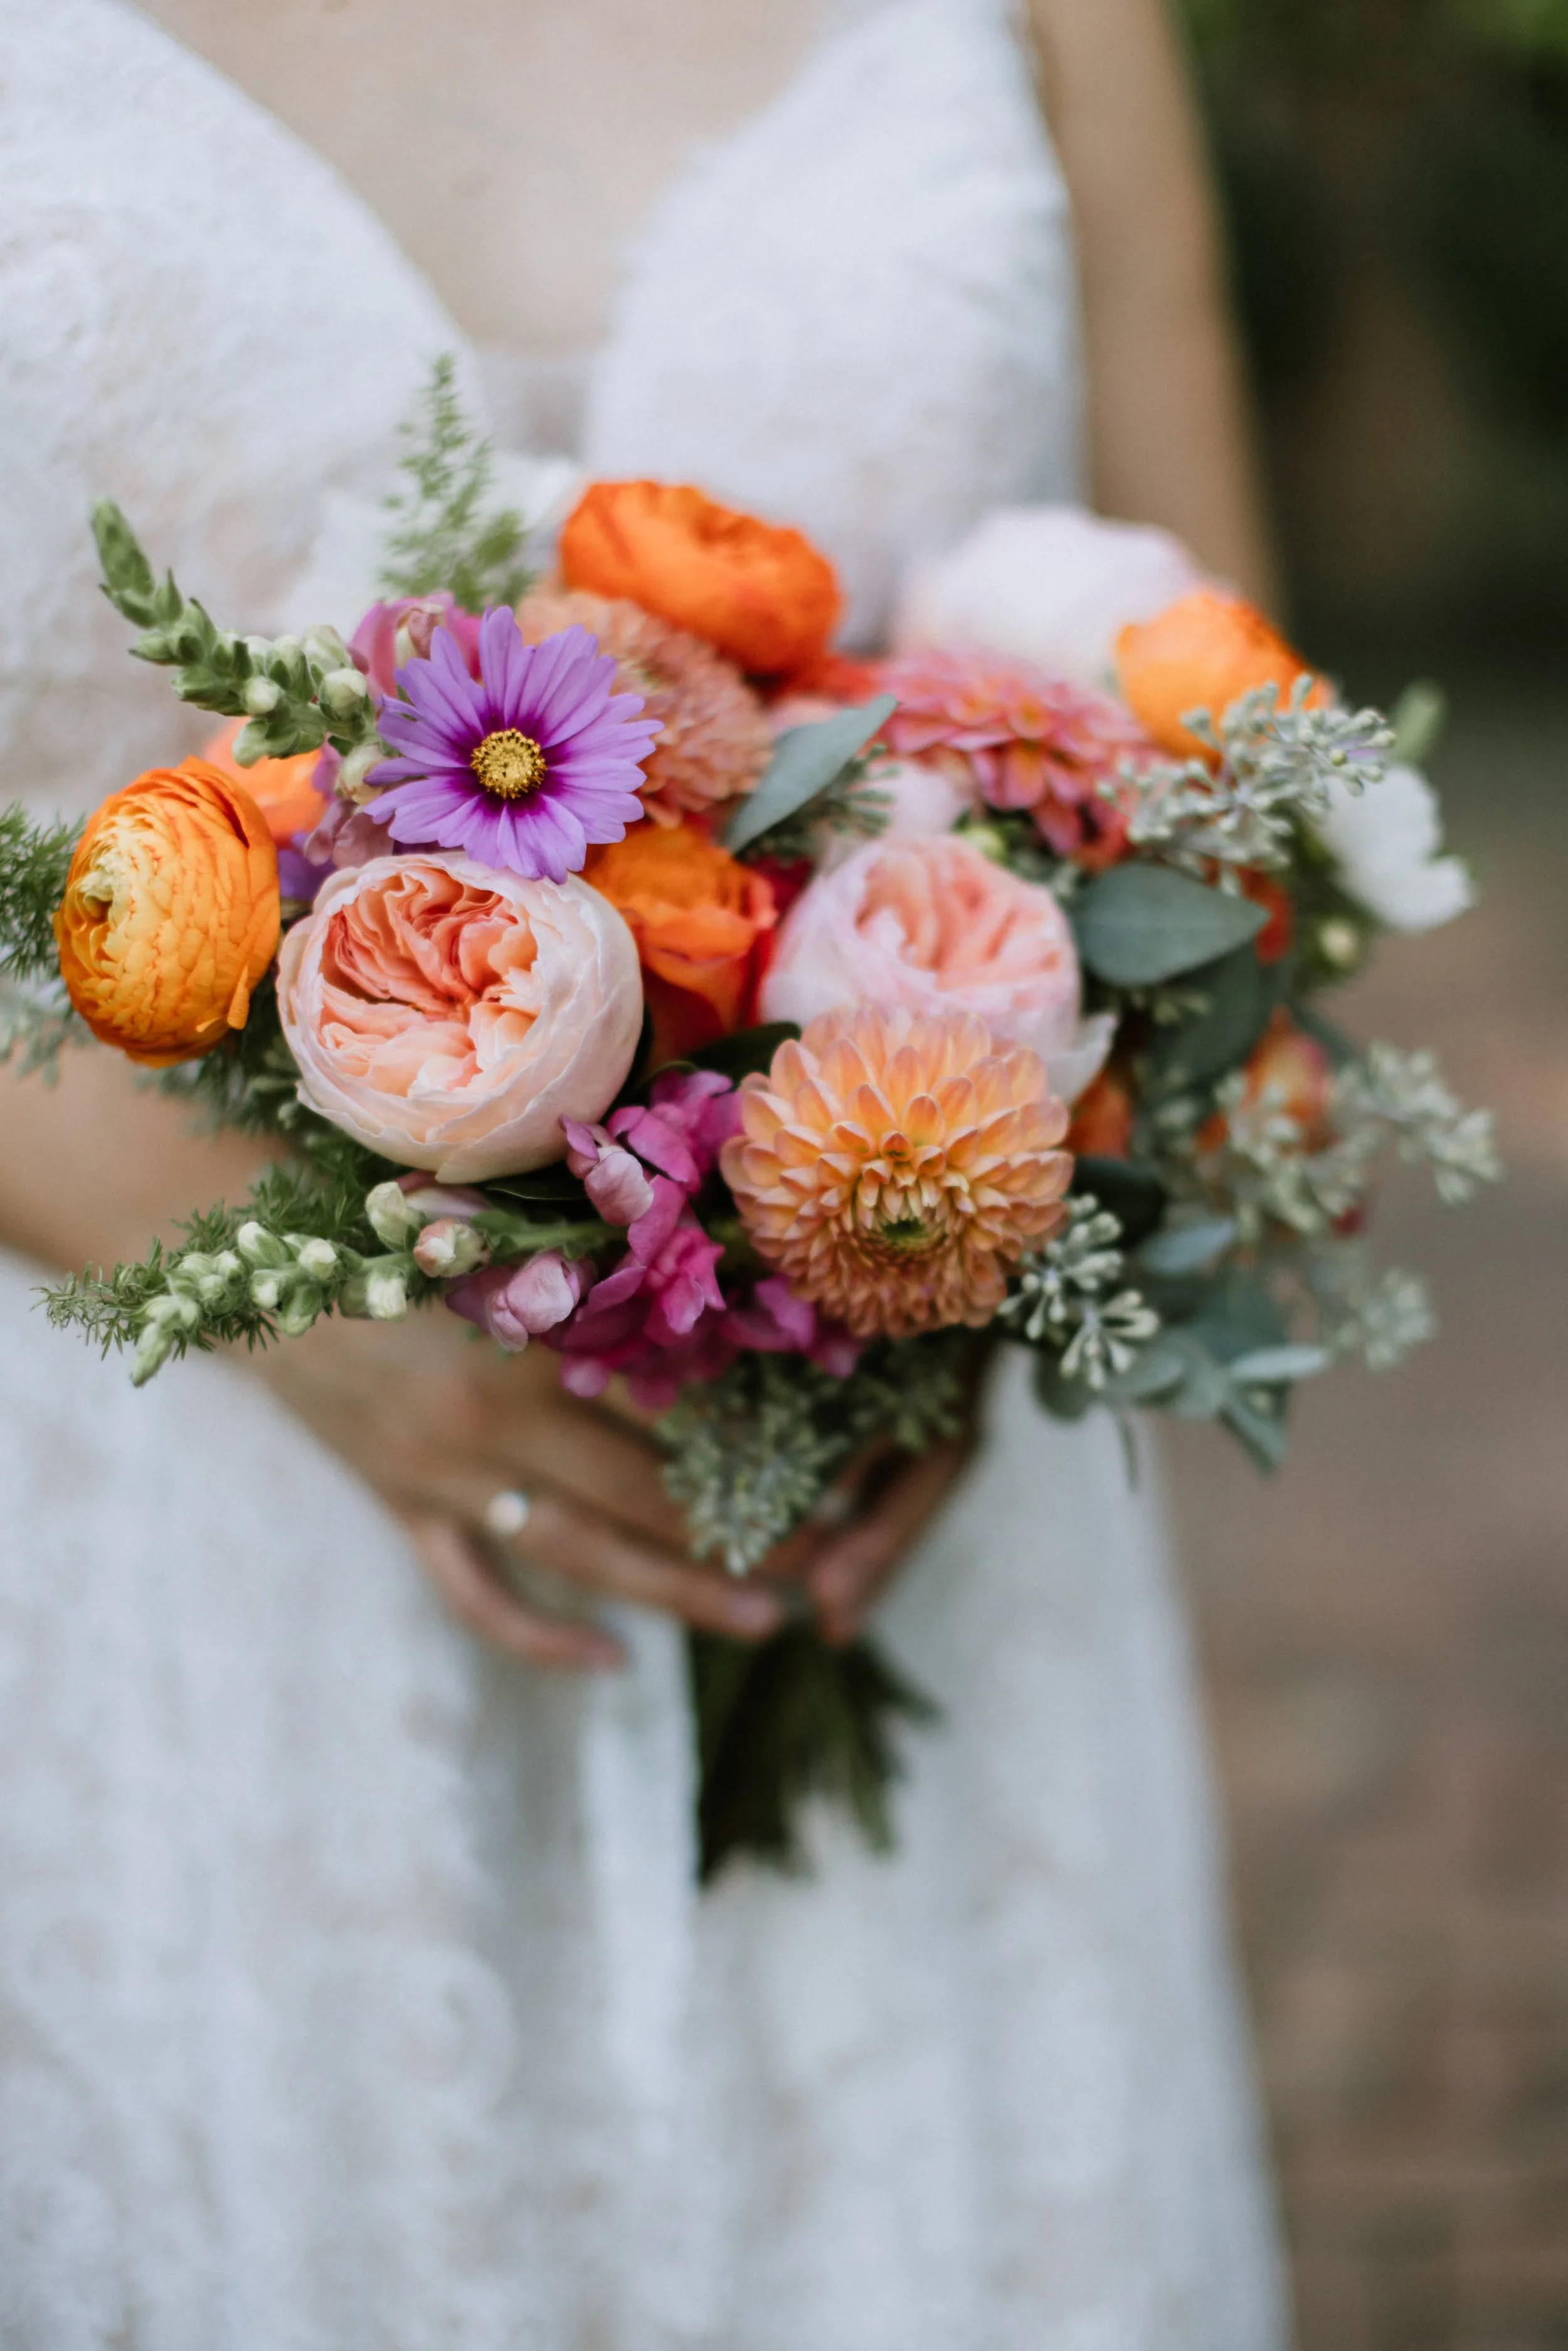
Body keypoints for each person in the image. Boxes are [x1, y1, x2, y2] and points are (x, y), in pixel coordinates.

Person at [0, 1, 1288, 2342]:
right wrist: (264, 1290)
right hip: (163, 1483)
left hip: (878, 1496)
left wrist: (977, 1204)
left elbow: (1221, 721)